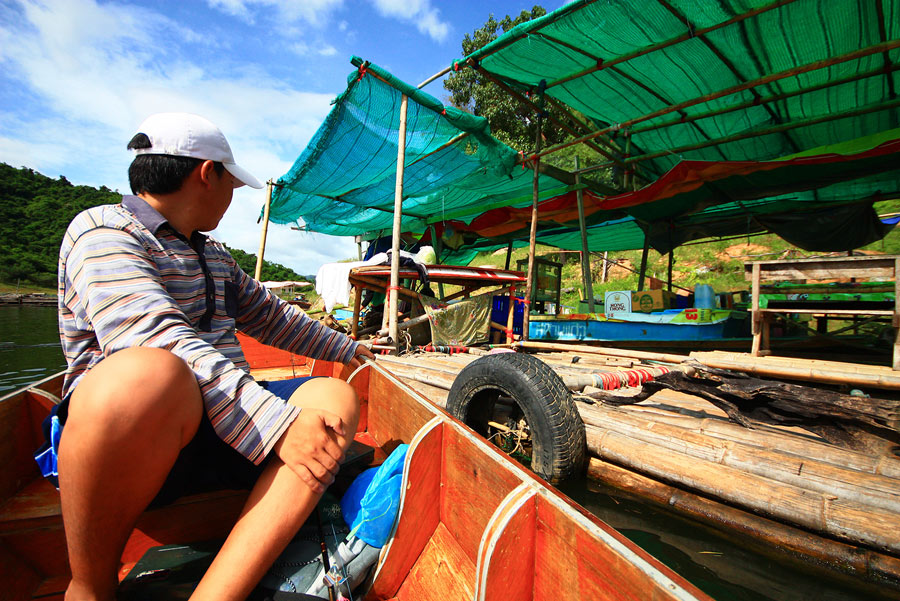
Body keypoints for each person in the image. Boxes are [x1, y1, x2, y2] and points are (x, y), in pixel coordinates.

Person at [35, 112, 375, 601]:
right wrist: (278, 425)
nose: (232, 196)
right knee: (147, 372)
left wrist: (355, 349)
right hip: (134, 439)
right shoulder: (102, 231)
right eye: (231, 184)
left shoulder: (214, 255)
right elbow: (152, 334)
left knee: (332, 397)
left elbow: (275, 318)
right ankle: (89, 587)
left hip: (224, 426)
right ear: (206, 172)